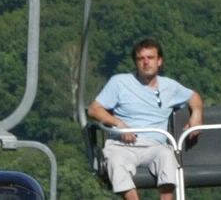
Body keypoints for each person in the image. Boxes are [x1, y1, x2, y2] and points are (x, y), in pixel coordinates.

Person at [87, 38, 203, 200]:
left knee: (167, 157)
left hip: (155, 145)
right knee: (115, 162)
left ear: (159, 61)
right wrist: (119, 124)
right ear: (136, 63)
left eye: (150, 58)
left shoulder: (169, 86)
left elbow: (193, 96)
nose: (146, 62)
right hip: (124, 145)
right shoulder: (119, 82)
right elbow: (94, 110)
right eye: (141, 59)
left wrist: (196, 114)